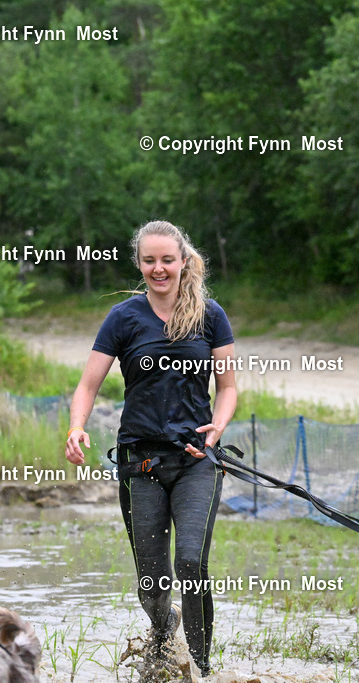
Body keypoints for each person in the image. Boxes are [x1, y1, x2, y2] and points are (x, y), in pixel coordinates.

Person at [64, 220, 237, 676]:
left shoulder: (210, 315)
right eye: (149, 261)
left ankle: (202, 670)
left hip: (197, 460)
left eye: (166, 260)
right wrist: (77, 426)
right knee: (152, 580)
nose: (158, 269)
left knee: (191, 563)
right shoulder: (123, 318)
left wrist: (217, 427)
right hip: (140, 464)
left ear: (182, 261)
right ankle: (163, 630)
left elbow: (228, 387)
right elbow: (87, 385)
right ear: (139, 264)